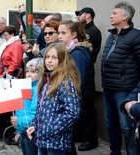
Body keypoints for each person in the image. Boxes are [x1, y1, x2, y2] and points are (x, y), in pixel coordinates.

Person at [26, 43, 81, 155]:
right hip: (42, 139)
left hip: (56, 141)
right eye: (47, 57)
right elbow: (40, 109)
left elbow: (72, 112)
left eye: (54, 58)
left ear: (62, 60)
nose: (49, 61)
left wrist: (52, 129)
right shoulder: (45, 81)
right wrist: (34, 125)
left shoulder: (65, 82)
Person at [101, 2, 140, 154]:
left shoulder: (136, 36)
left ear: (125, 16)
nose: (111, 15)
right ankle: (114, 152)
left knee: (127, 126)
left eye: (115, 13)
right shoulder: (112, 36)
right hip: (108, 87)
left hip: (124, 90)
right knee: (111, 124)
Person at [58, 20, 91, 155]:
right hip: (67, 99)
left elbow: (77, 80)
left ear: (74, 35)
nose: (59, 36)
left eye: (63, 33)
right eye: (59, 32)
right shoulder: (68, 50)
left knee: (66, 141)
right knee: (66, 141)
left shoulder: (77, 53)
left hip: (70, 101)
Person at [75, 7, 102, 151]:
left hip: (87, 73)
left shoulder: (92, 31)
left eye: (80, 14)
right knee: (81, 107)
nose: (78, 16)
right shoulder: (84, 30)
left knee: (87, 108)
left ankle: (91, 140)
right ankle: (81, 136)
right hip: (82, 73)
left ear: (88, 15)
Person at [11, 58, 43, 155]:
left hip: (31, 131)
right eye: (27, 71)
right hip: (24, 129)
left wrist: (19, 122)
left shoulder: (37, 89)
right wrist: (19, 130)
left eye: (33, 71)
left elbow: (36, 114)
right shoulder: (26, 87)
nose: (28, 74)